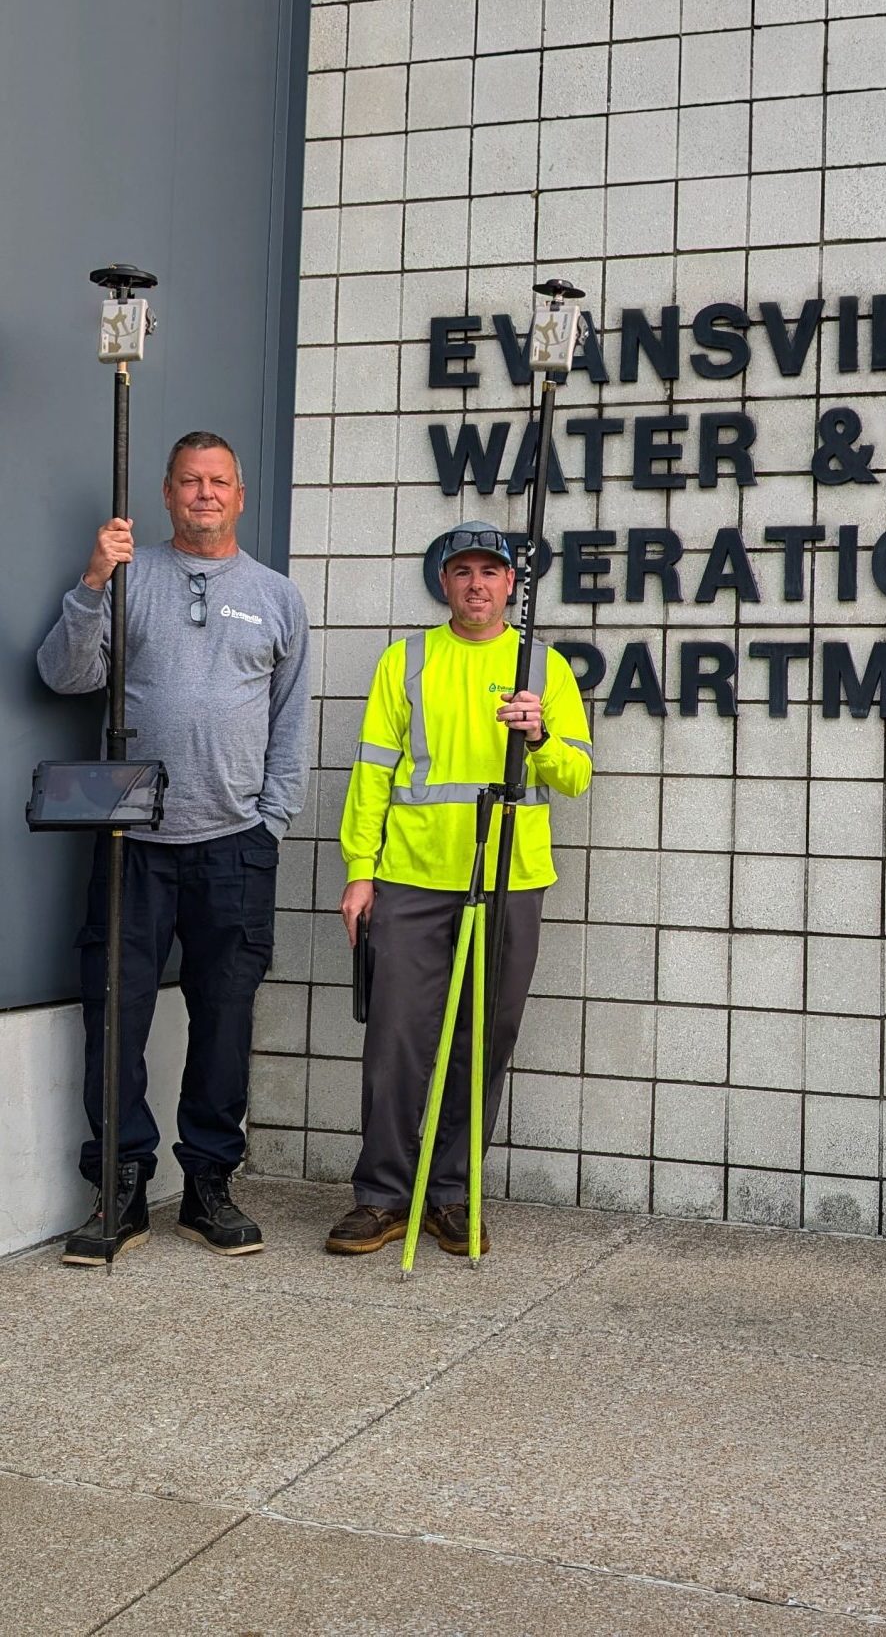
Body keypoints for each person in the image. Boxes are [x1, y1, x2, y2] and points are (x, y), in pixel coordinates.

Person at [38, 431, 311, 1264]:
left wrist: (272, 820)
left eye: (218, 481)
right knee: (115, 1014)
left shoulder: (275, 596)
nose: (204, 493)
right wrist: (92, 583)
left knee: (224, 1022)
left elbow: (290, 720)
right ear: (165, 493)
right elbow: (63, 675)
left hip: (235, 845)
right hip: (132, 843)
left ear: (238, 493)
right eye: (189, 481)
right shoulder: (128, 578)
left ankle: (208, 1186)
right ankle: (120, 1186)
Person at [326, 525, 594, 1259]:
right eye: (462, 571)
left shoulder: (543, 666)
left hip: (509, 880)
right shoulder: (406, 660)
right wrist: (360, 868)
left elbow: (576, 775)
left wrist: (539, 738)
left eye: (490, 572)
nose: (477, 584)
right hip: (411, 878)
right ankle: (380, 1197)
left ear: (512, 585)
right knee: (395, 1043)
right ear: (443, 583)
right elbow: (373, 771)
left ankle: (451, 1194)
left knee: (484, 1043)